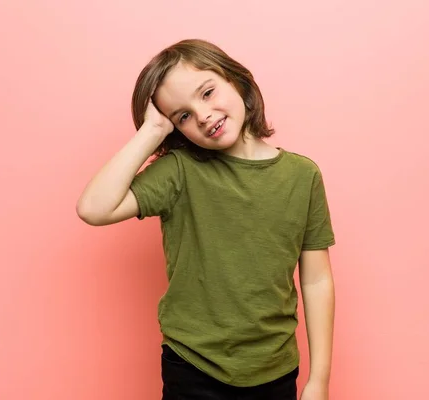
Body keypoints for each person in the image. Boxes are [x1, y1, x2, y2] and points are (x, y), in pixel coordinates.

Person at [76, 38, 336, 400]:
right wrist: (151, 131)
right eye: (182, 115)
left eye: (208, 92)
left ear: (236, 80)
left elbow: (317, 279)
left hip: (275, 368)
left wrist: (319, 379)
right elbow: (93, 208)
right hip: (193, 367)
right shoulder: (178, 173)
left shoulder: (302, 176)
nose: (202, 114)